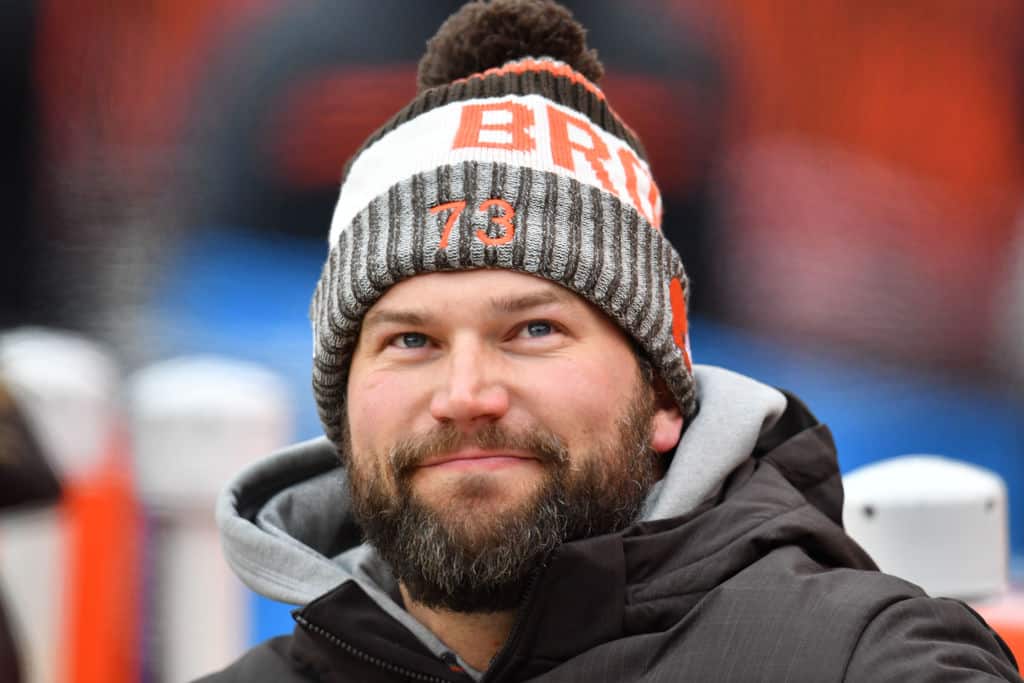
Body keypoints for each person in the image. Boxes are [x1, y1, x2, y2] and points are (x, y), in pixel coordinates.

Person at [197, 1, 1022, 680]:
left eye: (533, 329)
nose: (466, 392)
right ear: (342, 407)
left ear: (664, 393)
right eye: (411, 340)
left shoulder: (859, 662)